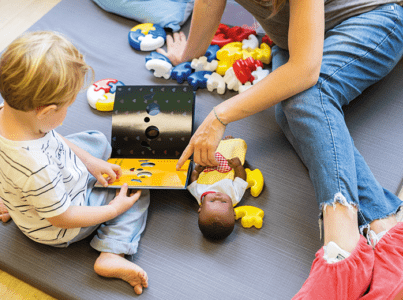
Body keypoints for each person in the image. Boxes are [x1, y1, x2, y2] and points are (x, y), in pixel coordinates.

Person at [158, 0, 403, 298]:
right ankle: (386, 230)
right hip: (295, 41)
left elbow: (306, 72)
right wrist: (186, 58)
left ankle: (343, 246)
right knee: (289, 114)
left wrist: (219, 115)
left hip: (369, 18)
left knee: (305, 100)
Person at [0, 31, 149, 295]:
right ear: (45, 112)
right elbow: (63, 217)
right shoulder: (36, 167)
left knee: (95, 141)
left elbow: (51, 138)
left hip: (31, 185)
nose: (67, 112)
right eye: (66, 106)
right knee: (135, 191)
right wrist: (113, 209)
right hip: (59, 223)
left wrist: (89, 161)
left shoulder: (7, 112)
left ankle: (13, 197)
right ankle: (113, 251)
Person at [187, 137, 249, 240]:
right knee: (231, 149)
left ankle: (218, 141)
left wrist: (196, 172)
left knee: (205, 149)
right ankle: (228, 142)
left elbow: (193, 181)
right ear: (233, 211)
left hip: (208, 167)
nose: (218, 196)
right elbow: (241, 179)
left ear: (201, 208)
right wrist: (238, 167)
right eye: (224, 202)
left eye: (212, 200)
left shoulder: (199, 195)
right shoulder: (235, 196)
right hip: (228, 166)